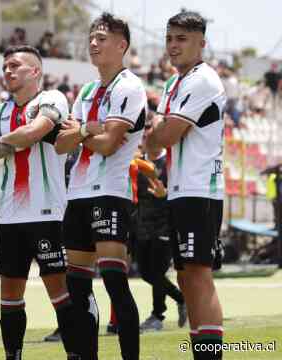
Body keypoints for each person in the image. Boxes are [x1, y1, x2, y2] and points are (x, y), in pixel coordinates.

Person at [55, 12, 146, 360]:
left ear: (121, 46)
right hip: (77, 193)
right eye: (92, 37)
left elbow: (109, 145)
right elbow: (62, 144)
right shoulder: (87, 90)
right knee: (77, 286)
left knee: (114, 282)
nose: (94, 43)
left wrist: (84, 132)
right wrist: (86, 130)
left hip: (110, 191)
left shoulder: (129, 86)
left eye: (102, 38)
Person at [0, 45, 74, 359]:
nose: (8, 71)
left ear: (35, 72)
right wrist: (10, 143)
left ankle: (77, 353)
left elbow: (35, 131)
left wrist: (2, 145)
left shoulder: (52, 98)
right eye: (5, 66)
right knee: (9, 295)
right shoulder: (0, 110)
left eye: (15, 65)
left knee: (60, 290)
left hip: (48, 213)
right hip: (9, 217)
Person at [146, 11, 226, 360]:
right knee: (184, 275)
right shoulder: (174, 82)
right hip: (180, 190)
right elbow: (155, 139)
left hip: (200, 190)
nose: (173, 46)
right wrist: (157, 133)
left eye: (182, 39)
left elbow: (163, 135)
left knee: (197, 274)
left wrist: (158, 132)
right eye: (169, 38)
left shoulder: (202, 80)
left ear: (201, 43)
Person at [135, 120, 187, 332]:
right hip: (141, 226)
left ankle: (157, 316)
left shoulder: (171, 163)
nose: (147, 138)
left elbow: (180, 194)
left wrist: (165, 196)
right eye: (145, 135)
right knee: (146, 273)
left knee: (157, 272)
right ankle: (182, 298)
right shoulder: (136, 164)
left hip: (165, 226)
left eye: (151, 134)